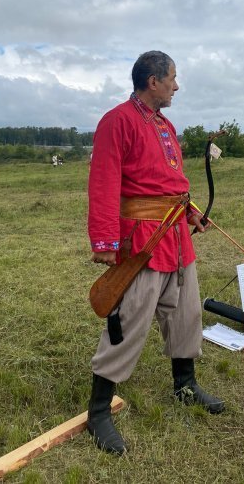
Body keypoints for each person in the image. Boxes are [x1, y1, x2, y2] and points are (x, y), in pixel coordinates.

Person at [87, 50, 224, 455]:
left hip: (176, 236)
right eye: (173, 78)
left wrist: (192, 213)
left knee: (186, 312)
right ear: (153, 81)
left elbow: (171, 183)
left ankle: (185, 384)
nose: (176, 86)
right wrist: (106, 242)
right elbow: (104, 183)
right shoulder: (117, 121)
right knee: (129, 319)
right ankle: (98, 410)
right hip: (142, 241)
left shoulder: (166, 125)